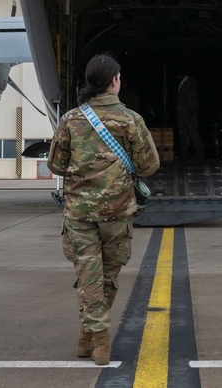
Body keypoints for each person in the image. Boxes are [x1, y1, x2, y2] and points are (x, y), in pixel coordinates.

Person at [47, 54, 160, 366]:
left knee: (88, 276)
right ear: (114, 82)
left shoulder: (70, 119)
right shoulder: (130, 119)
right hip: (117, 212)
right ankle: (99, 342)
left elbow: (55, 164)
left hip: (80, 214)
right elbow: (149, 166)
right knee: (107, 277)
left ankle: (90, 338)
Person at [176, 73, 202, 159]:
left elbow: (192, 99)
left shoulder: (190, 82)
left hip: (189, 112)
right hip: (182, 112)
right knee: (183, 132)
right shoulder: (182, 83)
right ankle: (184, 152)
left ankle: (199, 152)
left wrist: (190, 112)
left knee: (192, 131)